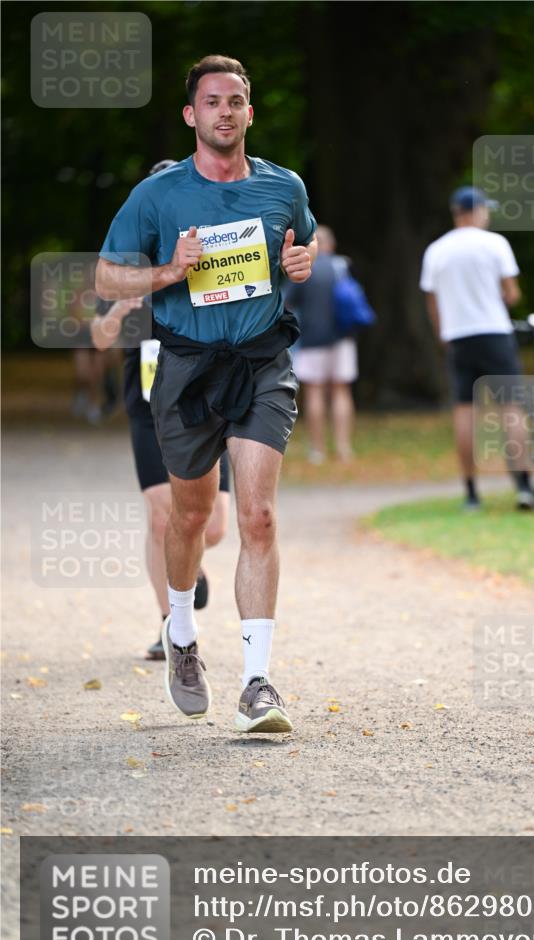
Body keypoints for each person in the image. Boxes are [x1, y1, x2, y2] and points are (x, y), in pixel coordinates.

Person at [96, 55, 317, 733]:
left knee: (257, 518)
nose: (225, 111)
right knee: (188, 520)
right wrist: (171, 270)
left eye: (237, 101)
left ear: (250, 112)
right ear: (192, 116)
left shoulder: (284, 186)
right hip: (186, 370)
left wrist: (300, 265)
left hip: (260, 363)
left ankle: (257, 683)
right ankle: (182, 637)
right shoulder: (157, 197)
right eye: (212, 102)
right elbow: (108, 279)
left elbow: (298, 253)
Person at [91, 159, 230, 662]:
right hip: (149, 408)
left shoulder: (209, 260)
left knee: (212, 527)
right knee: (159, 519)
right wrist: (121, 314)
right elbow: (98, 338)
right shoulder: (128, 267)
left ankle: (189, 559)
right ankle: (171, 626)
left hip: (208, 404)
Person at [420, 186, 534, 511]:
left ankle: (471, 492)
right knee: (511, 408)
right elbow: (511, 293)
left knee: (464, 410)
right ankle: (524, 486)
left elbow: (432, 302)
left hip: (458, 335)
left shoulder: (437, 250)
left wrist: (443, 335)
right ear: (479, 210)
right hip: (495, 332)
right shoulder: (495, 244)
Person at [287, 225, 358, 463]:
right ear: (332, 244)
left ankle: (317, 450)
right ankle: (343, 447)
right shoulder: (342, 266)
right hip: (343, 337)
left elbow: (289, 303)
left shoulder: (305, 268)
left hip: (311, 339)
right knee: (341, 391)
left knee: (315, 392)